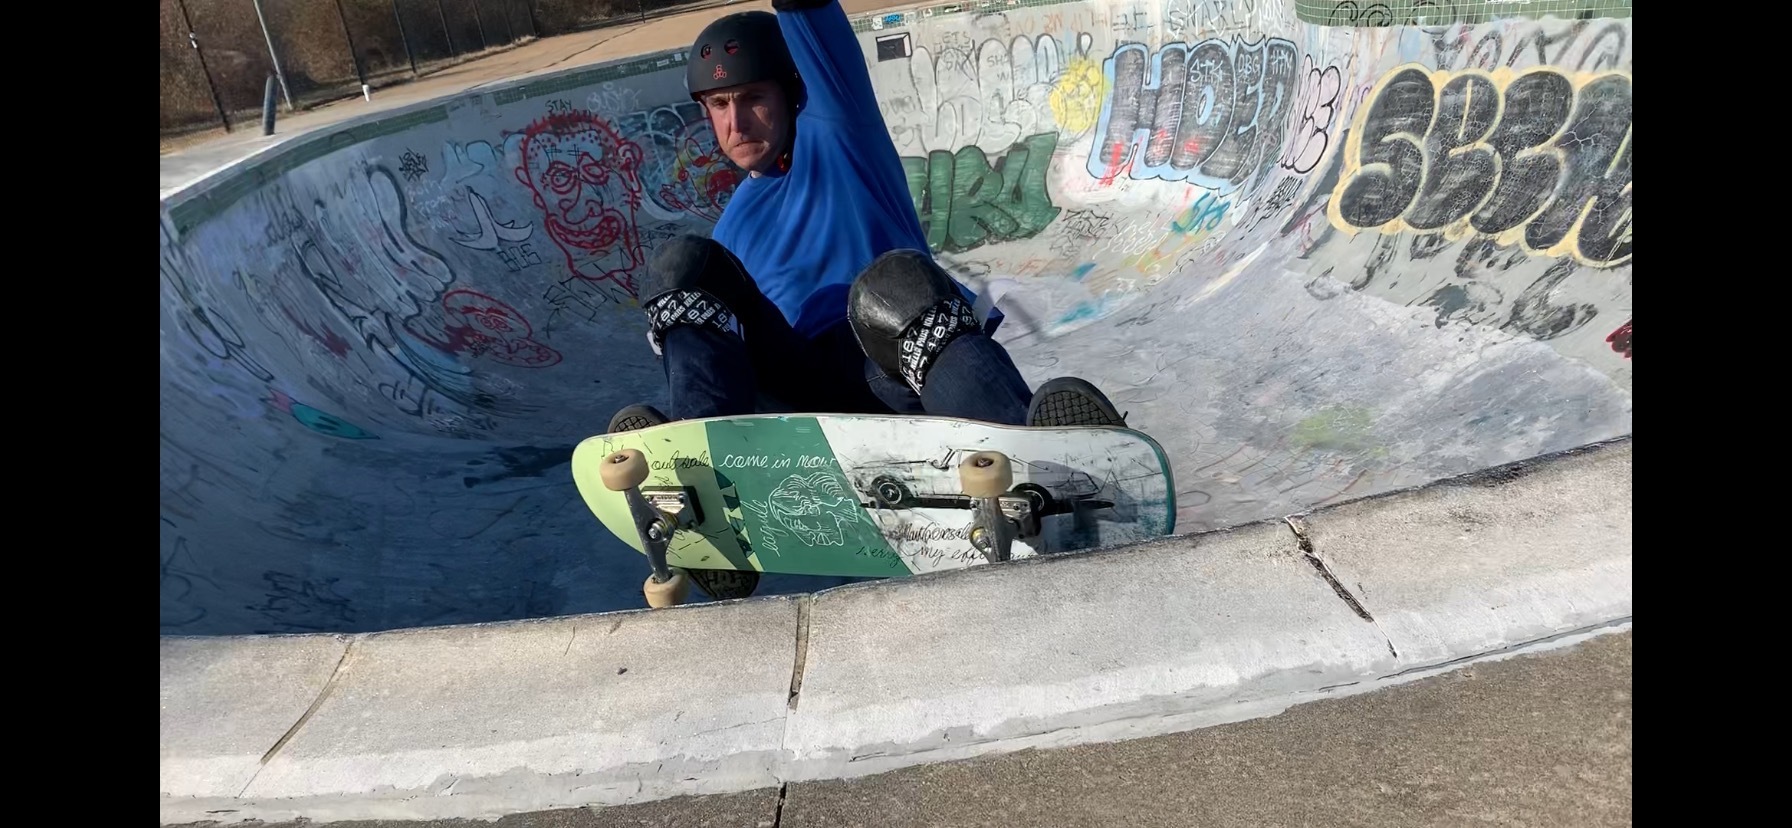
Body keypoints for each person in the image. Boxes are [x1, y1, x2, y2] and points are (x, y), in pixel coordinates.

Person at [609, 0, 1125, 435]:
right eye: (719, 104)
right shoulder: (729, 235)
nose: (735, 122)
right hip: (796, 393)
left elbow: (808, 13)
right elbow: (708, 358)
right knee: (685, 266)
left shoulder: (838, 135)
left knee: (892, 283)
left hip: (898, 367)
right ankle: (696, 467)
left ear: (792, 95)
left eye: (752, 99)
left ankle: (1035, 453)